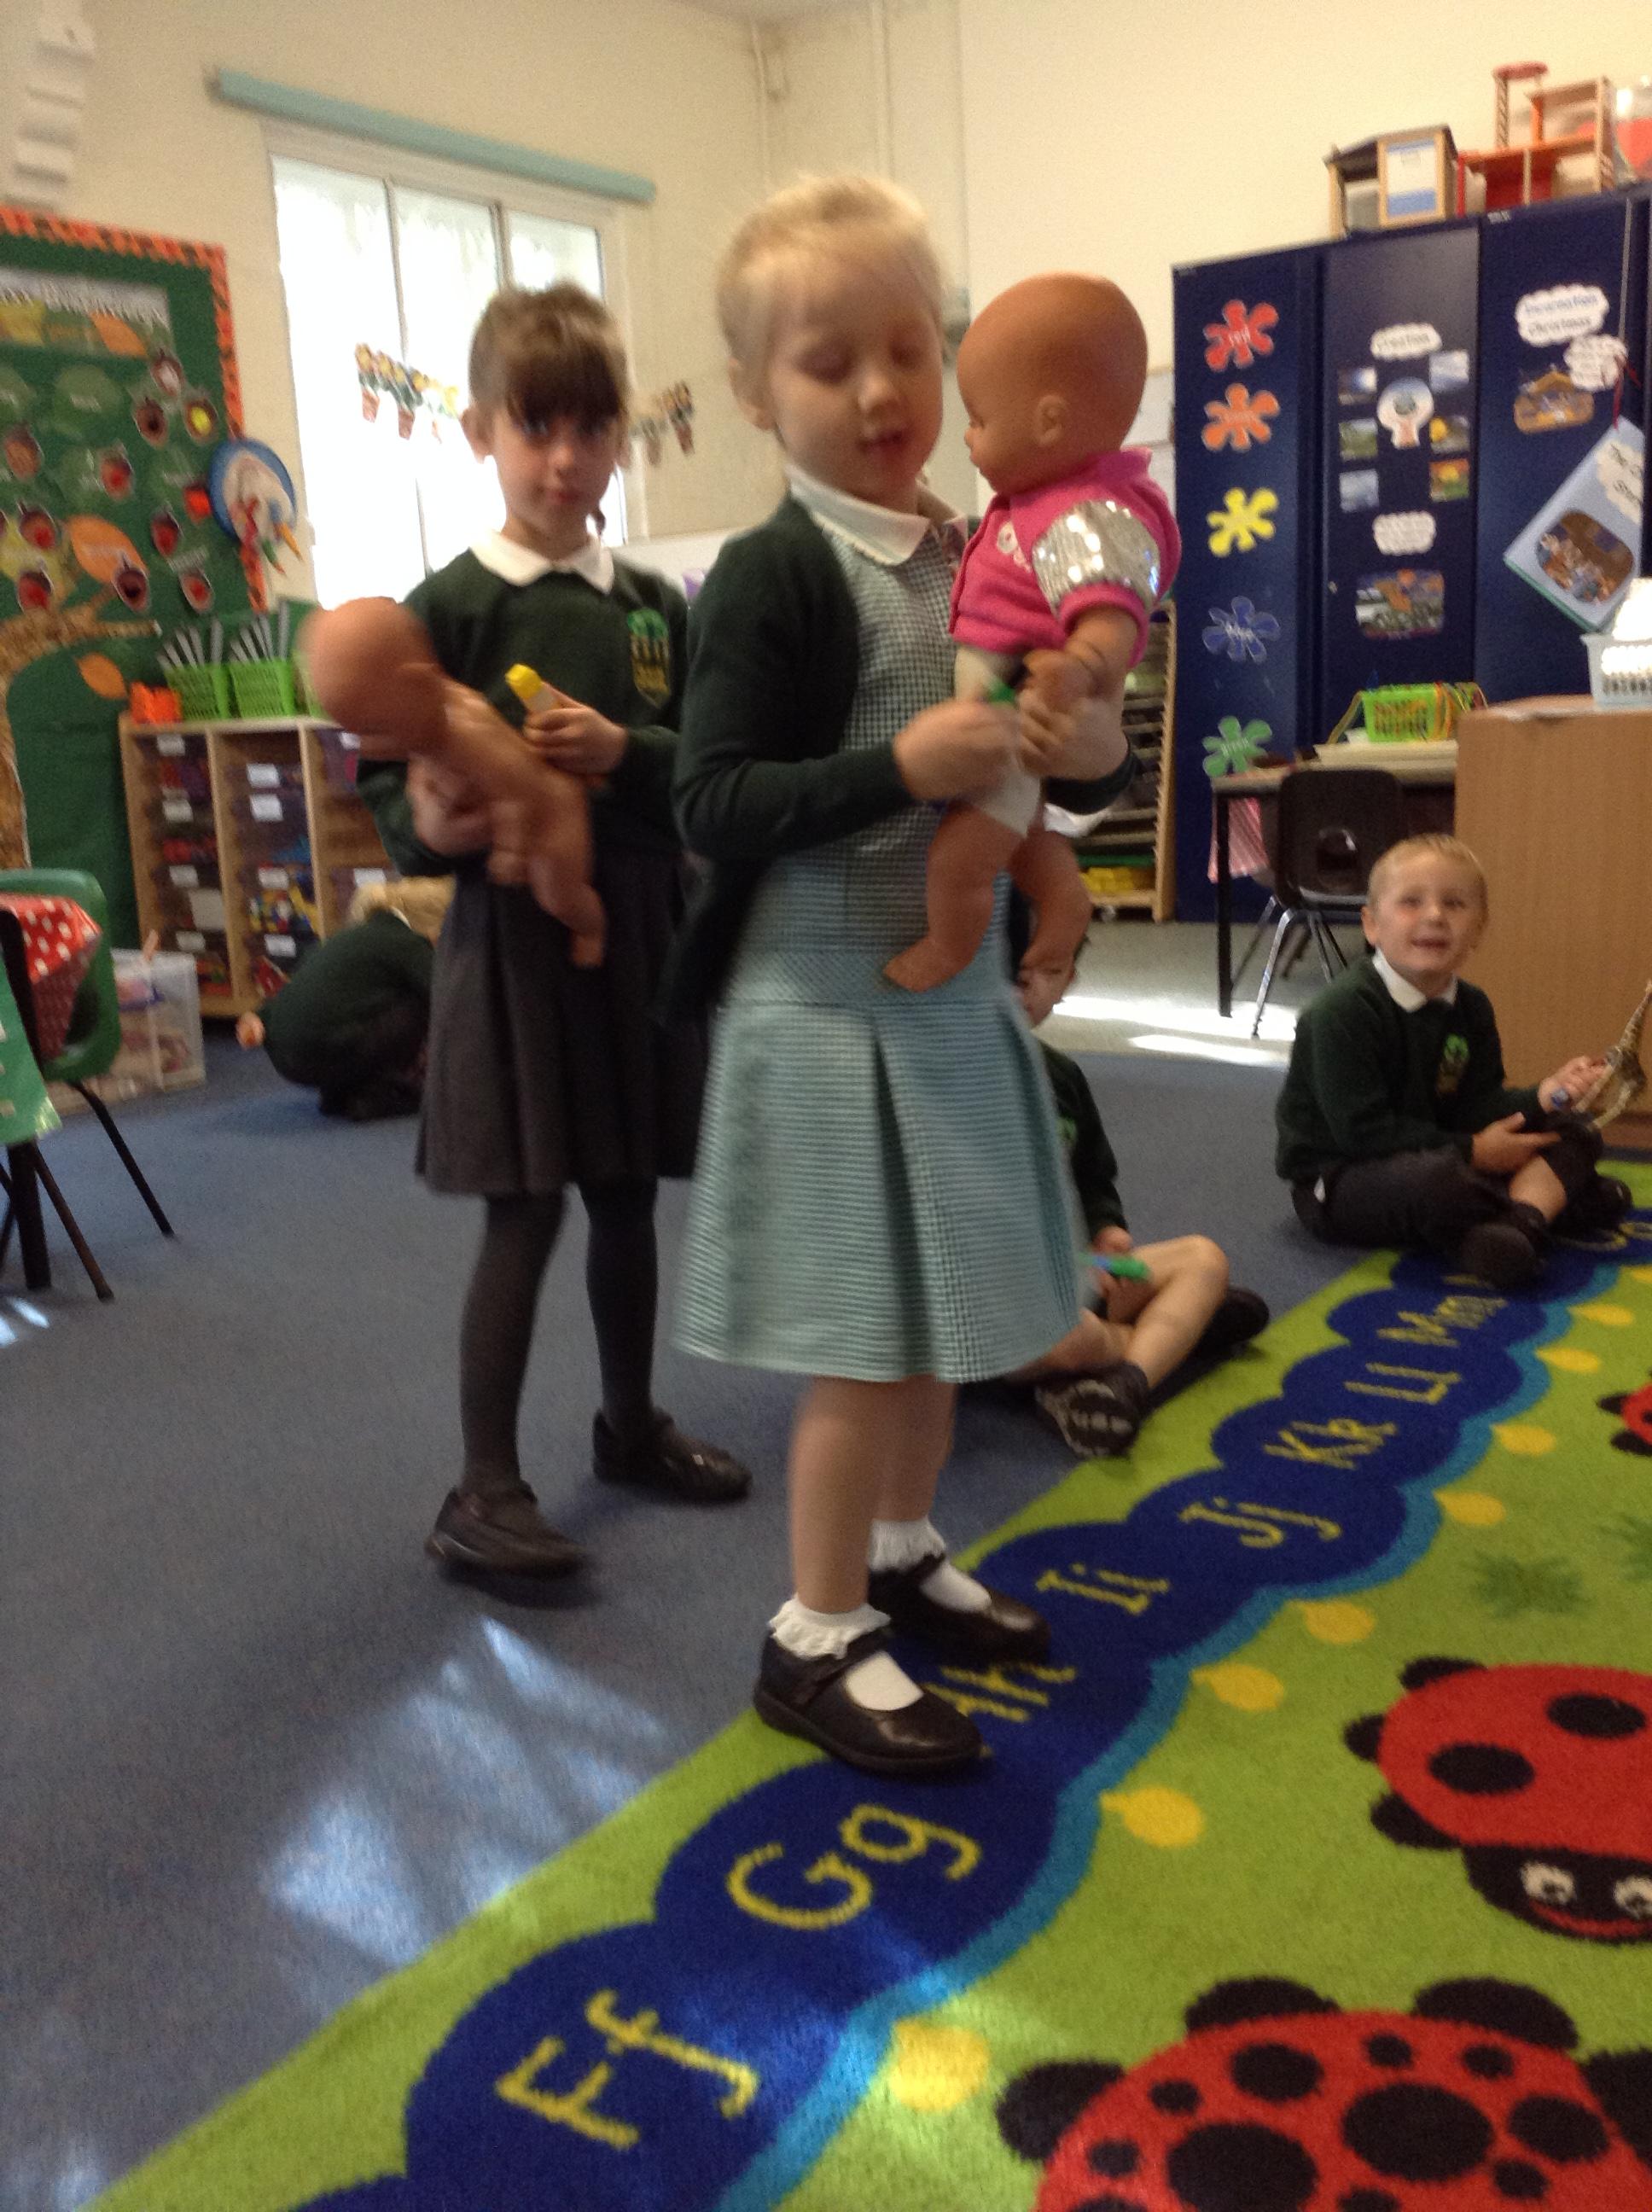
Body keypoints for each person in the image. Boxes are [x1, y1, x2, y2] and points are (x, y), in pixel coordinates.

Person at [663, 176, 1136, 1778]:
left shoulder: (982, 544)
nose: (878, 391)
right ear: (754, 393)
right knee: (866, 1339)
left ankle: (899, 1549)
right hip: (822, 1014)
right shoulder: (777, 573)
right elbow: (710, 799)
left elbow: (1050, 765)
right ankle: (812, 1636)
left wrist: (1086, 749)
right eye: (826, 363)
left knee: (950, 1312)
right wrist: (893, 767)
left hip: (946, 1006)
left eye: (906, 352)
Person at [356, 282, 750, 1581]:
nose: (565, 459)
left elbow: (703, 766)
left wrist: (625, 750)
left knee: (627, 1194)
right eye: (536, 428)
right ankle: (482, 1487)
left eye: (591, 429)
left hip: (638, 924)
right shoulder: (446, 605)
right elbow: (388, 783)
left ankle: (629, 1427)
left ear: (622, 437)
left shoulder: (651, 604)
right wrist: (434, 822)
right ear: (481, 432)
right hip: (512, 940)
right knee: (522, 1213)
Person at [887, 271, 1178, 997]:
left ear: (1049, 422)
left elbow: (1112, 615)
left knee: (961, 857)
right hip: (1004, 713)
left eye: (979, 418)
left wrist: (1081, 666)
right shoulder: (1037, 503)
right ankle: (1064, 898)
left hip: (1017, 707)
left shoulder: (1084, 515)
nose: (967, 435)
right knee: (1020, 836)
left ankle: (950, 946)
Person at [1277, 834, 1632, 1288]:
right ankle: (1546, 1204)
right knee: (1436, 1180)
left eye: (1455, 904)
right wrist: (1475, 1152)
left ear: (1479, 929)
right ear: (1372, 925)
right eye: (1411, 902)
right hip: (1343, 1177)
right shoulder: (1340, 1012)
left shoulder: (1472, 1006)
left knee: (1575, 1130)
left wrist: (1545, 1096)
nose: (1434, 916)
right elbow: (1362, 1133)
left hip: (1444, 1147)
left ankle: (1519, 1223)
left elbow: (1478, 1105)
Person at [1004, 960, 1269, 1452]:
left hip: (1068, 1278)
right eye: (1010, 961)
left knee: (1203, 1258)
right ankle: (1170, 1337)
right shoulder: (938, 1080)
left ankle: (1124, 1382)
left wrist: (1106, 1235)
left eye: (1048, 968)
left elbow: (1093, 1180)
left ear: (1068, 983)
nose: (1024, 980)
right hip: (984, 1309)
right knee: (1073, 1337)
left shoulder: (1060, 1075)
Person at [235, 876, 451, 1121]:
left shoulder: (349, 937)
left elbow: (301, 990)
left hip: (286, 1055)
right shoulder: (407, 943)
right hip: (322, 1051)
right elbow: (447, 998)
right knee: (417, 1006)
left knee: (359, 1012)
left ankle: (338, 1093)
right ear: (436, 926)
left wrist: (259, 1016)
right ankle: (377, 1095)